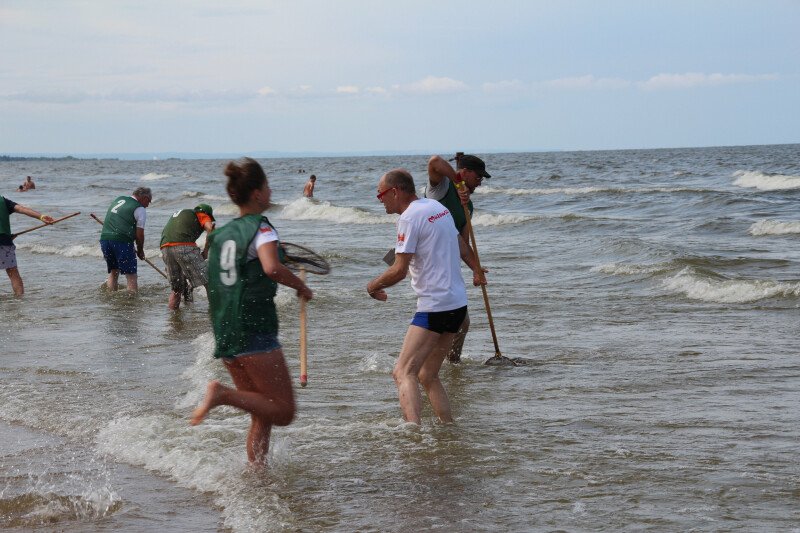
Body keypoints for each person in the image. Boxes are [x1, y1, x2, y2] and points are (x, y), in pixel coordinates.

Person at [191, 157, 313, 466]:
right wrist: (300, 286)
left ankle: (256, 474)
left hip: (225, 326)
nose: (271, 191)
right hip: (254, 325)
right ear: (257, 193)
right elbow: (272, 268)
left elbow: (221, 276)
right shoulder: (261, 226)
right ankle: (222, 395)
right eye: (268, 185)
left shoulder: (221, 234)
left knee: (262, 410)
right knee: (284, 411)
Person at [366, 169, 485, 425]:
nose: (379, 199)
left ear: (395, 191)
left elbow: (398, 270)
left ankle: (413, 433)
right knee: (427, 375)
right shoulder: (435, 207)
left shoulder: (408, 219)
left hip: (435, 307)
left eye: (381, 194)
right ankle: (449, 427)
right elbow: (461, 245)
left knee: (402, 372)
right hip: (457, 306)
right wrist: (476, 269)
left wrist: (372, 285)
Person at [425, 153, 491, 363]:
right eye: (478, 178)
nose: (479, 184)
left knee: (463, 321)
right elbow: (434, 161)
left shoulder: (467, 207)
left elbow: (461, 245)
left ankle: (452, 363)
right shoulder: (441, 187)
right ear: (465, 173)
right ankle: (427, 364)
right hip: (425, 260)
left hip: (444, 265)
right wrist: (458, 182)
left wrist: (475, 269)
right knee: (448, 318)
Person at [160, 203, 215, 310]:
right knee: (209, 282)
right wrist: (206, 251)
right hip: (183, 246)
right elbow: (210, 229)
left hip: (165, 248)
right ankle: (215, 313)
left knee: (176, 290)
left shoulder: (183, 214)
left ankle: (174, 319)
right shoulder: (201, 214)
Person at [99, 187, 152, 293]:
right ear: (145, 198)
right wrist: (140, 250)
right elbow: (140, 234)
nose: (148, 205)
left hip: (105, 239)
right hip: (121, 241)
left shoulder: (119, 199)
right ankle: (131, 302)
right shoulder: (139, 208)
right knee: (131, 275)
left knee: (114, 272)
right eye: (149, 201)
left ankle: (110, 296)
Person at [0, 194, 54, 297]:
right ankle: (19, 301)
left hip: (4, 239)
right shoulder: (3, 201)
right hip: (4, 242)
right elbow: (21, 209)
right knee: (13, 273)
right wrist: (41, 217)